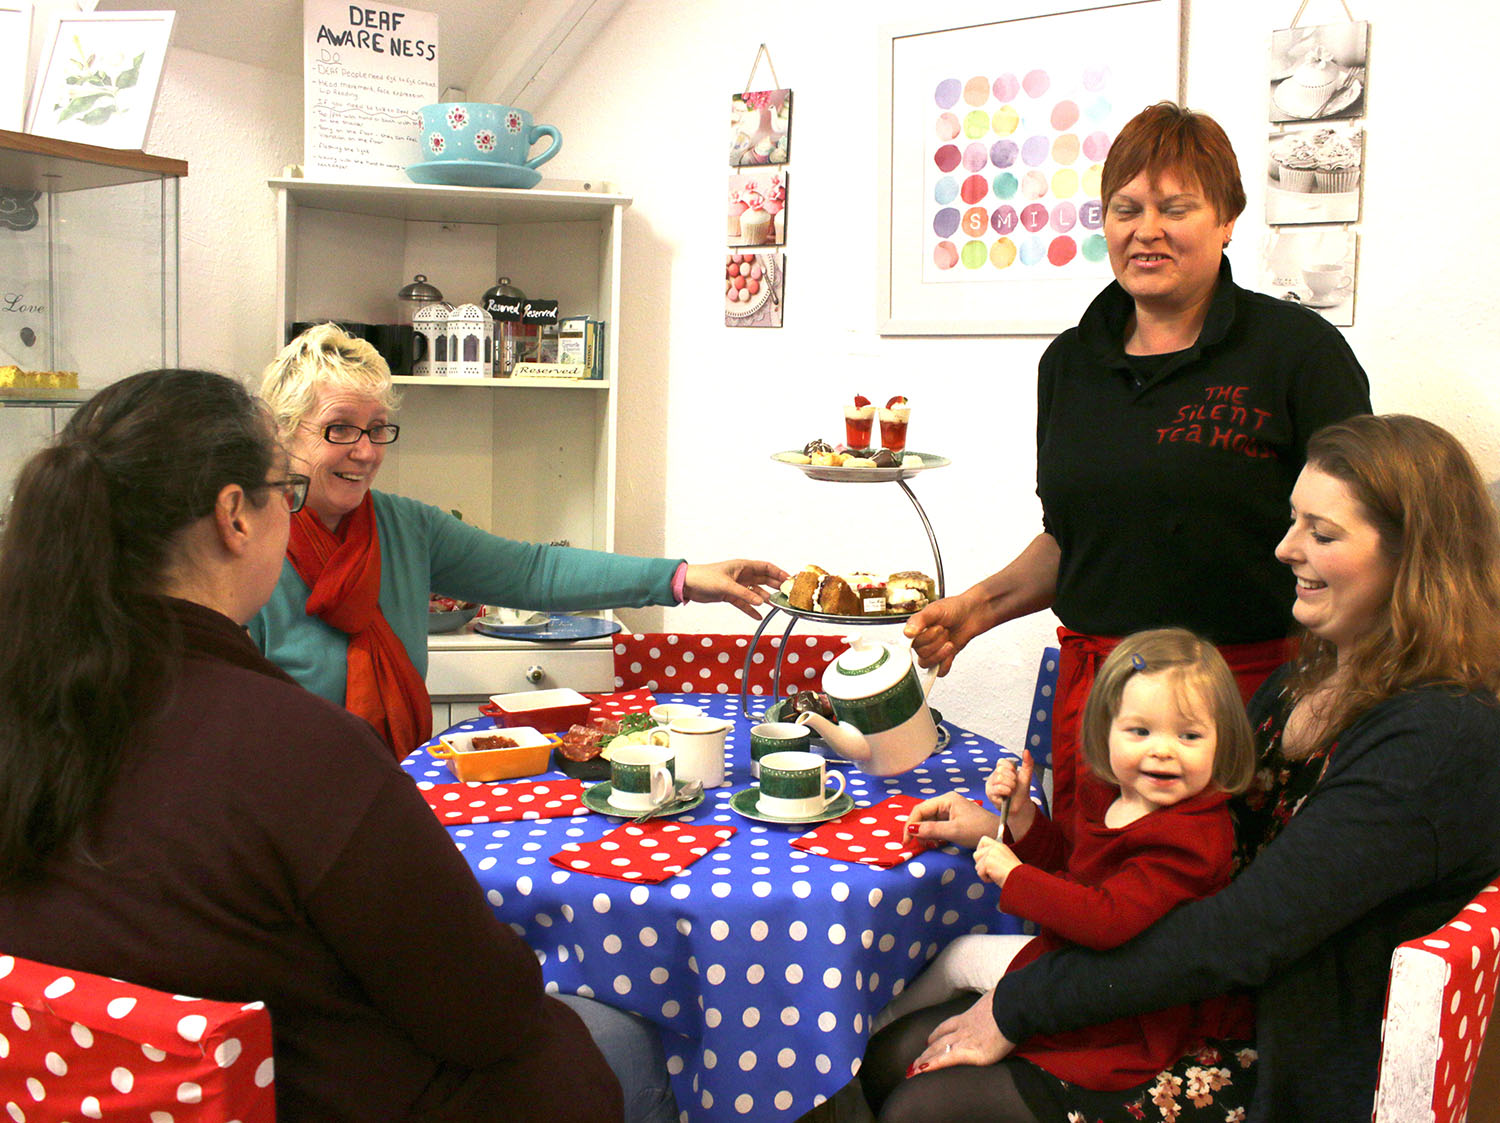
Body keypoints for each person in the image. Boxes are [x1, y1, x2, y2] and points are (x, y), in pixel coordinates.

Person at [0, 369, 673, 1122]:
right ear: (235, 516)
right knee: (625, 1035)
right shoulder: (302, 752)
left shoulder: (34, 705)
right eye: (281, 489)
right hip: (328, 1094)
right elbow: (490, 1013)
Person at [889, 415, 1500, 1121]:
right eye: (1293, 520)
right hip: (1195, 993)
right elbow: (1161, 863)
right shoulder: (1308, 678)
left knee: (927, 1102)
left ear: (1414, 560)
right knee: (898, 1051)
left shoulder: (1439, 736)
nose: (1285, 547)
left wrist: (1022, 1003)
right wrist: (1020, 829)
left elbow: (1240, 935)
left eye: (1322, 534)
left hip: (1285, 1046)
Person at [903, 102, 1370, 838]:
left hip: (1241, 702)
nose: (1145, 228)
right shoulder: (1069, 363)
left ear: (1227, 220)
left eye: (1174, 207)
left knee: (1217, 922)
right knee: (1092, 901)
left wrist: (1344, 686)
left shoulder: (1296, 353)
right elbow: (1076, 537)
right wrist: (979, 608)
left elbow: (1360, 534)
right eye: (1125, 208)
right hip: (1106, 705)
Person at [252, 323, 788, 756]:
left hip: (391, 790)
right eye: (340, 428)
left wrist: (683, 579)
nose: (366, 451)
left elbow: (534, 572)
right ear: (283, 429)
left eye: (378, 428)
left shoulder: (405, 528)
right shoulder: (250, 550)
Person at [862, 629, 1258, 1121]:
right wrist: (1023, 820)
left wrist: (1014, 877)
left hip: (1124, 1019)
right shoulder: (1111, 794)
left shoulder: (1192, 838)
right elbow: (1072, 871)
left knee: (913, 1101)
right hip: (1059, 980)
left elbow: (1106, 918)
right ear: (1105, 730)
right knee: (884, 1059)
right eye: (1140, 731)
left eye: (1189, 735)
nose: (1163, 751)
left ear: (1225, 743)